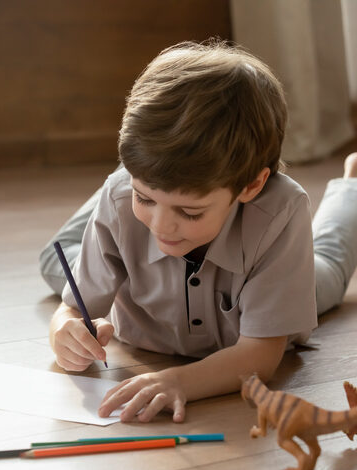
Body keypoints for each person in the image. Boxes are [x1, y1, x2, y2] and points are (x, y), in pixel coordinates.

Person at [39, 40, 357, 424]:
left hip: (280, 278)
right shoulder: (125, 201)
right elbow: (73, 309)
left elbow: (260, 355)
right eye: (146, 198)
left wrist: (179, 381)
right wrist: (64, 331)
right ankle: (128, 184)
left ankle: (353, 186)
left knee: (329, 268)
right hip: (122, 201)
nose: (161, 227)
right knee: (53, 259)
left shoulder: (280, 210)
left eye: (189, 211)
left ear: (251, 186)